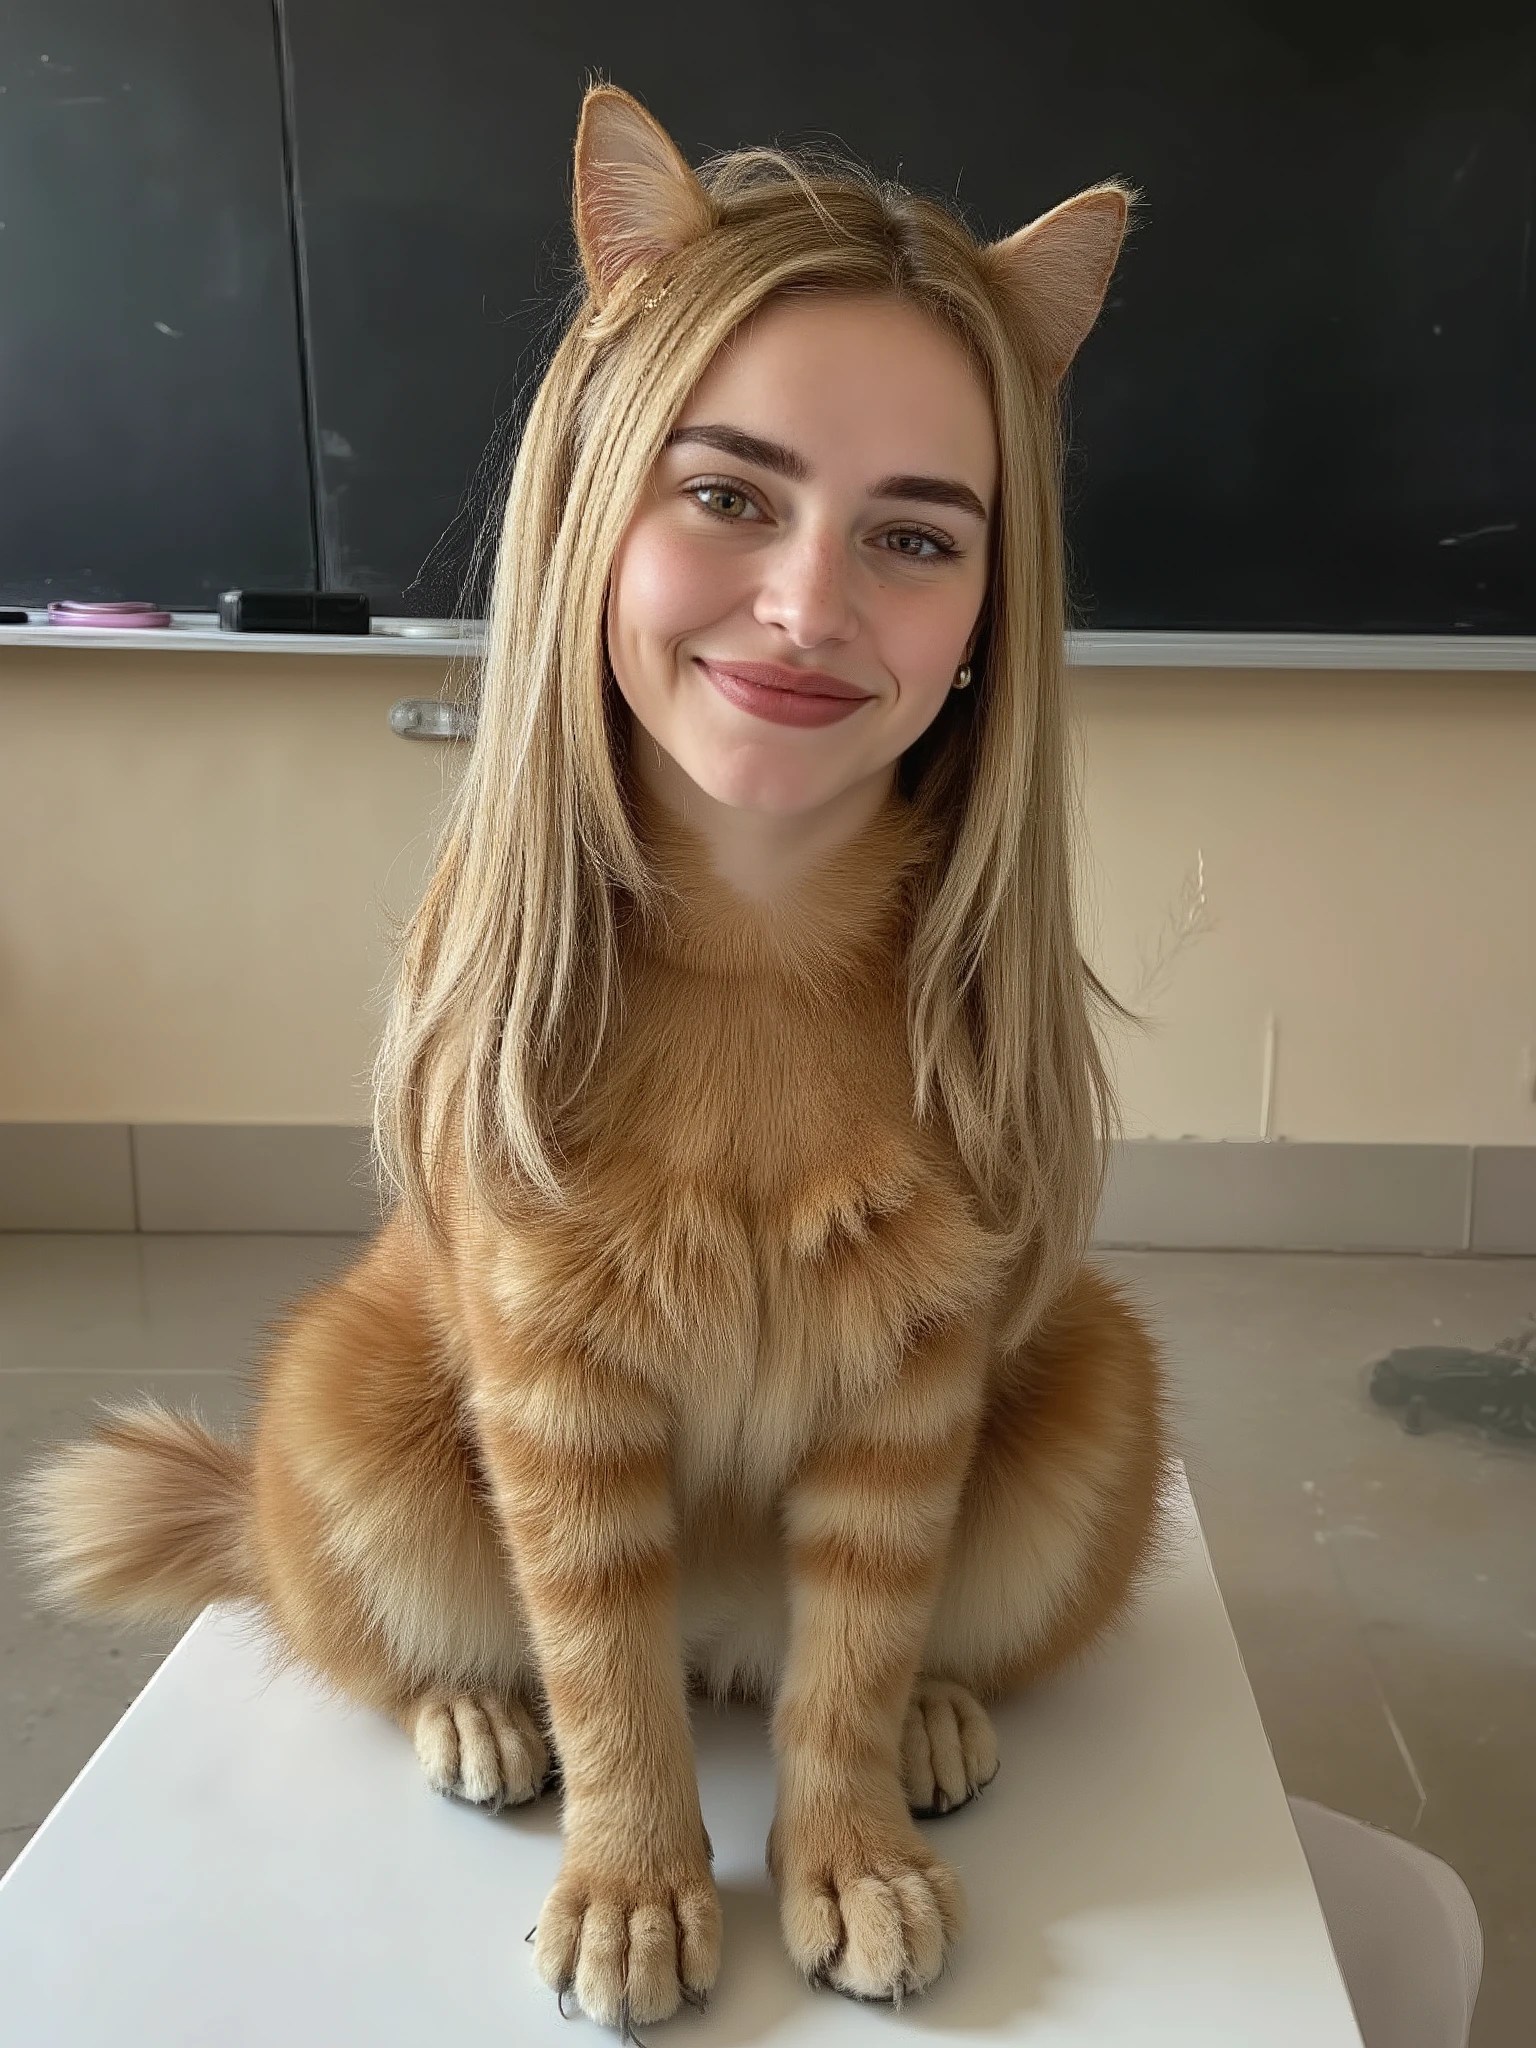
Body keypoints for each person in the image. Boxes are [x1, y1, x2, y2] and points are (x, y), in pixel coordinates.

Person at [22, 86, 1166, 2029]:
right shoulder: (528, 994)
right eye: (727, 493)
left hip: (822, 1577)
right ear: (593, 501)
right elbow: (538, 1433)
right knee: (357, 1441)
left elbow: (916, 1420)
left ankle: (850, 1701)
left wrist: (840, 1778)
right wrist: (631, 1827)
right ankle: (485, 1679)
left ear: (995, 599)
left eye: (914, 533)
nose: (807, 605)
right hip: (510, 1532)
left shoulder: (959, 1000)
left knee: (1079, 1430)